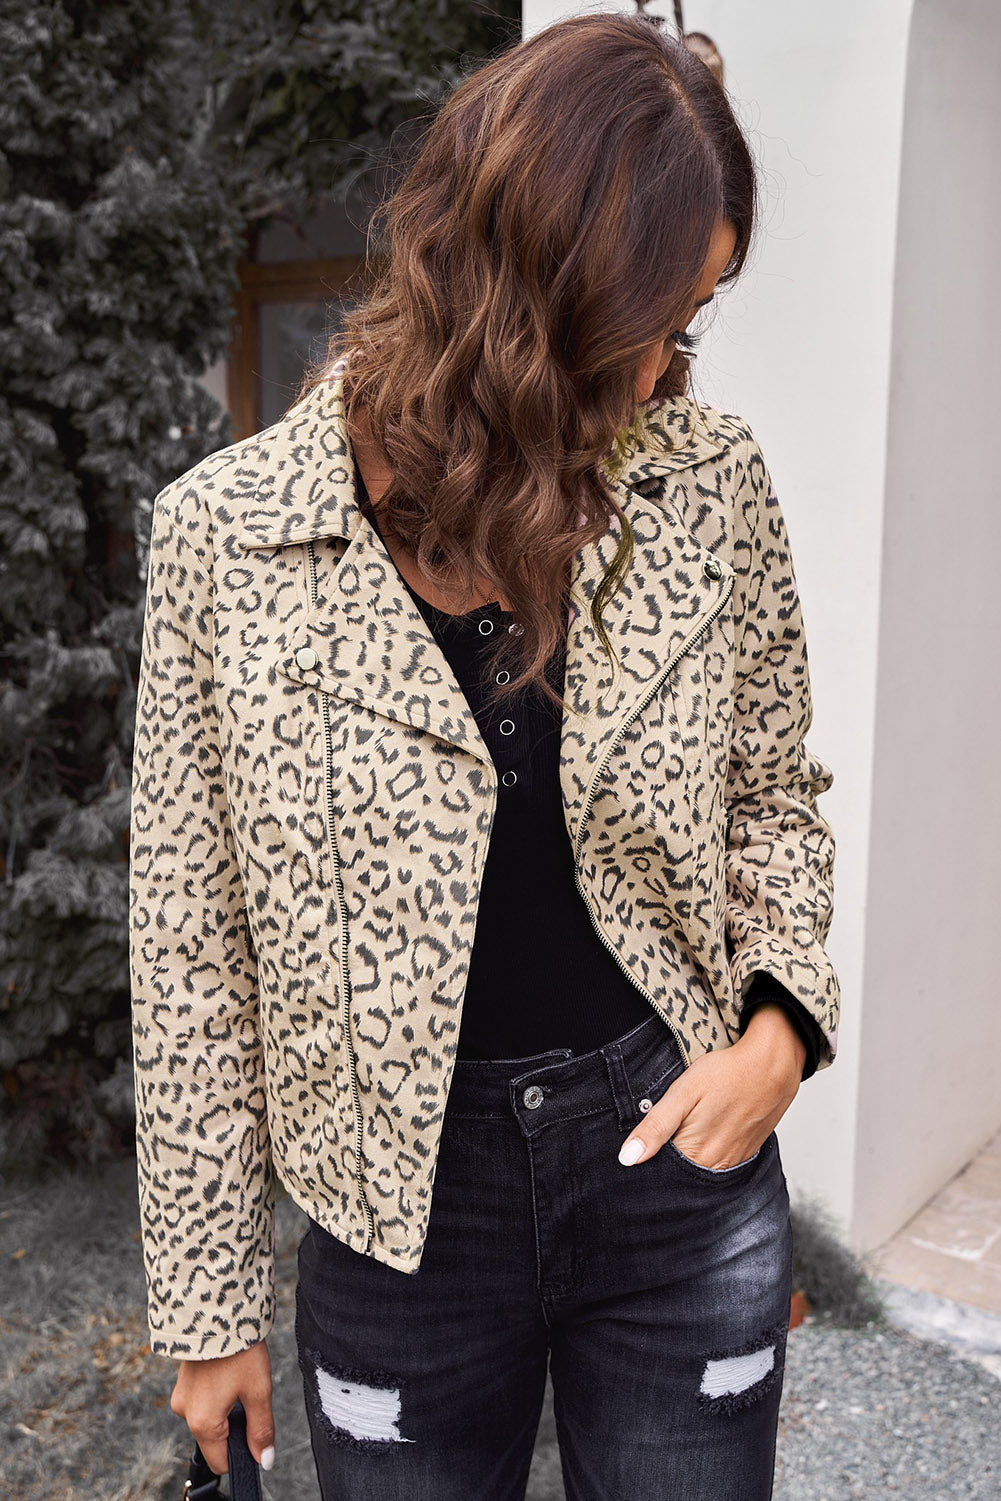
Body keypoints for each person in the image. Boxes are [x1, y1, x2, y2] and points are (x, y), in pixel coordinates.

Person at [129, 12, 840, 1500]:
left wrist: (776, 1033)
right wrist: (208, 1310)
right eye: (642, 325)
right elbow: (192, 947)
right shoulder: (229, 537)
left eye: (690, 324)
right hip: (395, 1217)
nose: (659, 377)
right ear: (522, 293)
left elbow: (772, 791)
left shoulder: (705, 485)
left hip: (676, 1171)